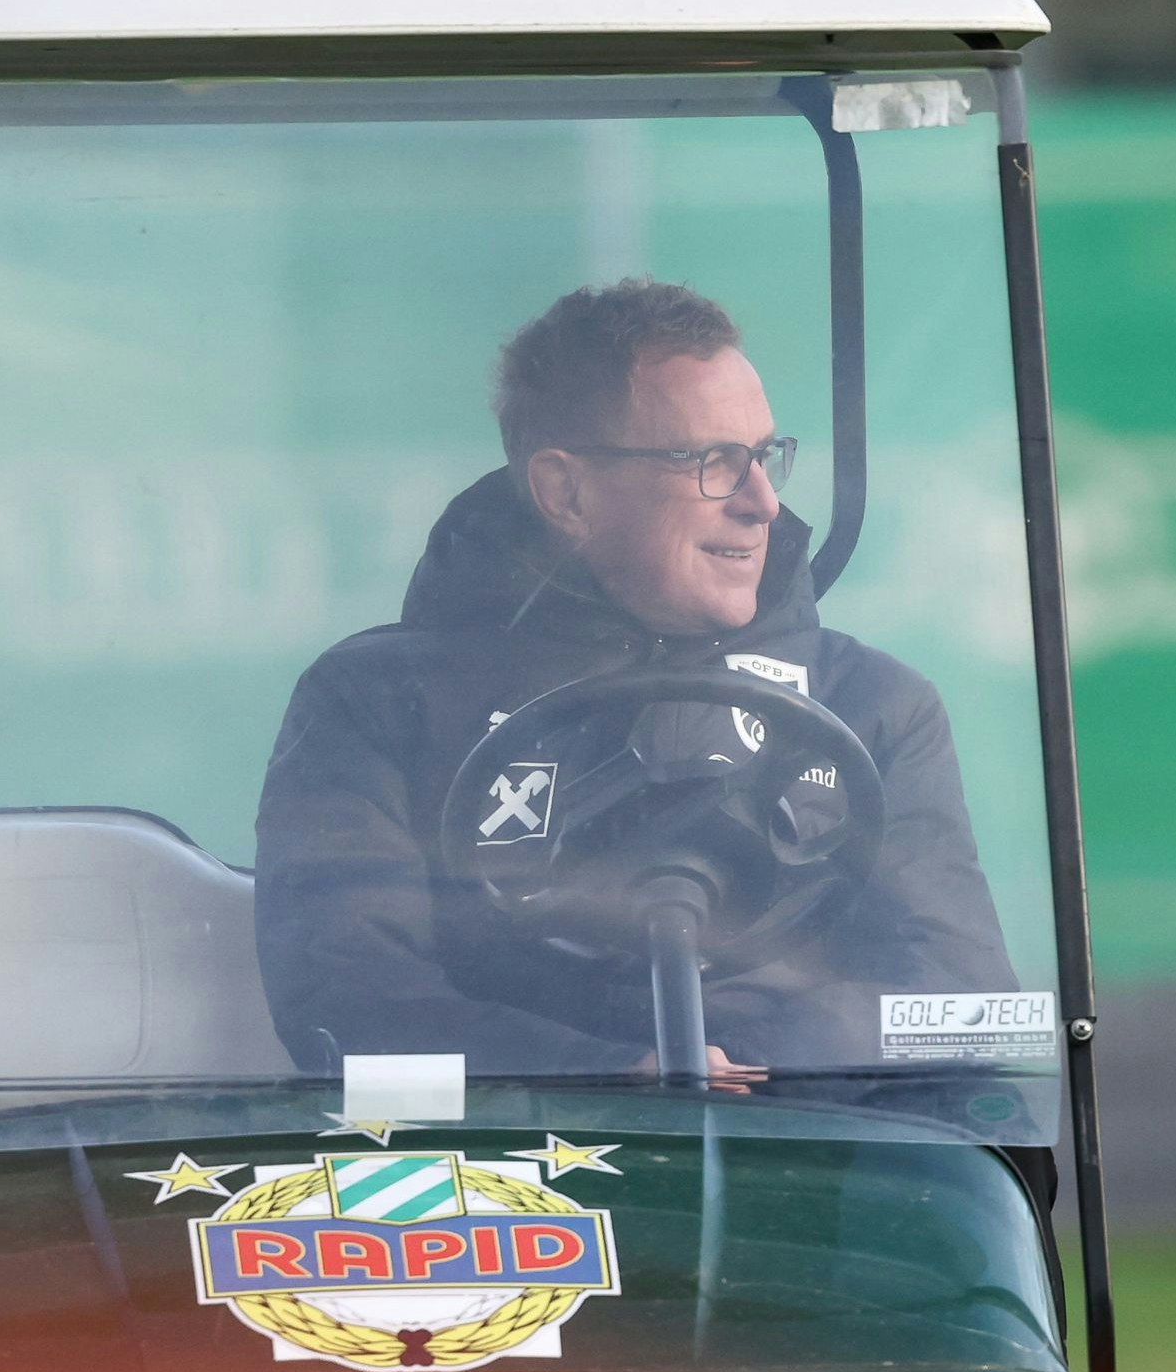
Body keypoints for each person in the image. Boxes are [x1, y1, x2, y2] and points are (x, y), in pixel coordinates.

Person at [256, 279, 1017, 1082]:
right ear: (566, 492)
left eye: (764, 458)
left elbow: (961, 1000)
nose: (763, 504)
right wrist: (606, 1077)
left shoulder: (871, 705)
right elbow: (348, 1002)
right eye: (713, 462)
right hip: (499, 1149)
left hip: (811, 1138)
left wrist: (750, 1069)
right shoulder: (379, 699)